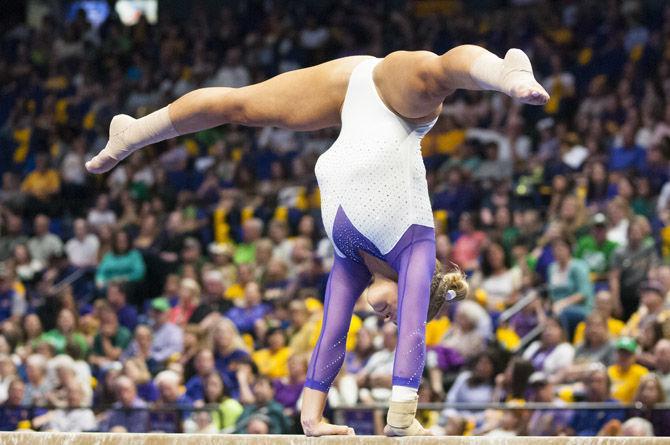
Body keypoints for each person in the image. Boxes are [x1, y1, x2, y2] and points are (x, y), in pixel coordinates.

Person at [87, 44, 549, 436]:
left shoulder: (351, 261)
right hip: (396, 103)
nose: (386, 318)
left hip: (346, 94)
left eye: (386, 318)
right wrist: (403, 415)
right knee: (437, 75)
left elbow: (333, 332)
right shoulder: (416, 248)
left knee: (238, 106)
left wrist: (312, 418)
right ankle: (505, 72)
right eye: (394, 310)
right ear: (419, 286)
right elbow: (413, 326)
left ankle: (131, 130)